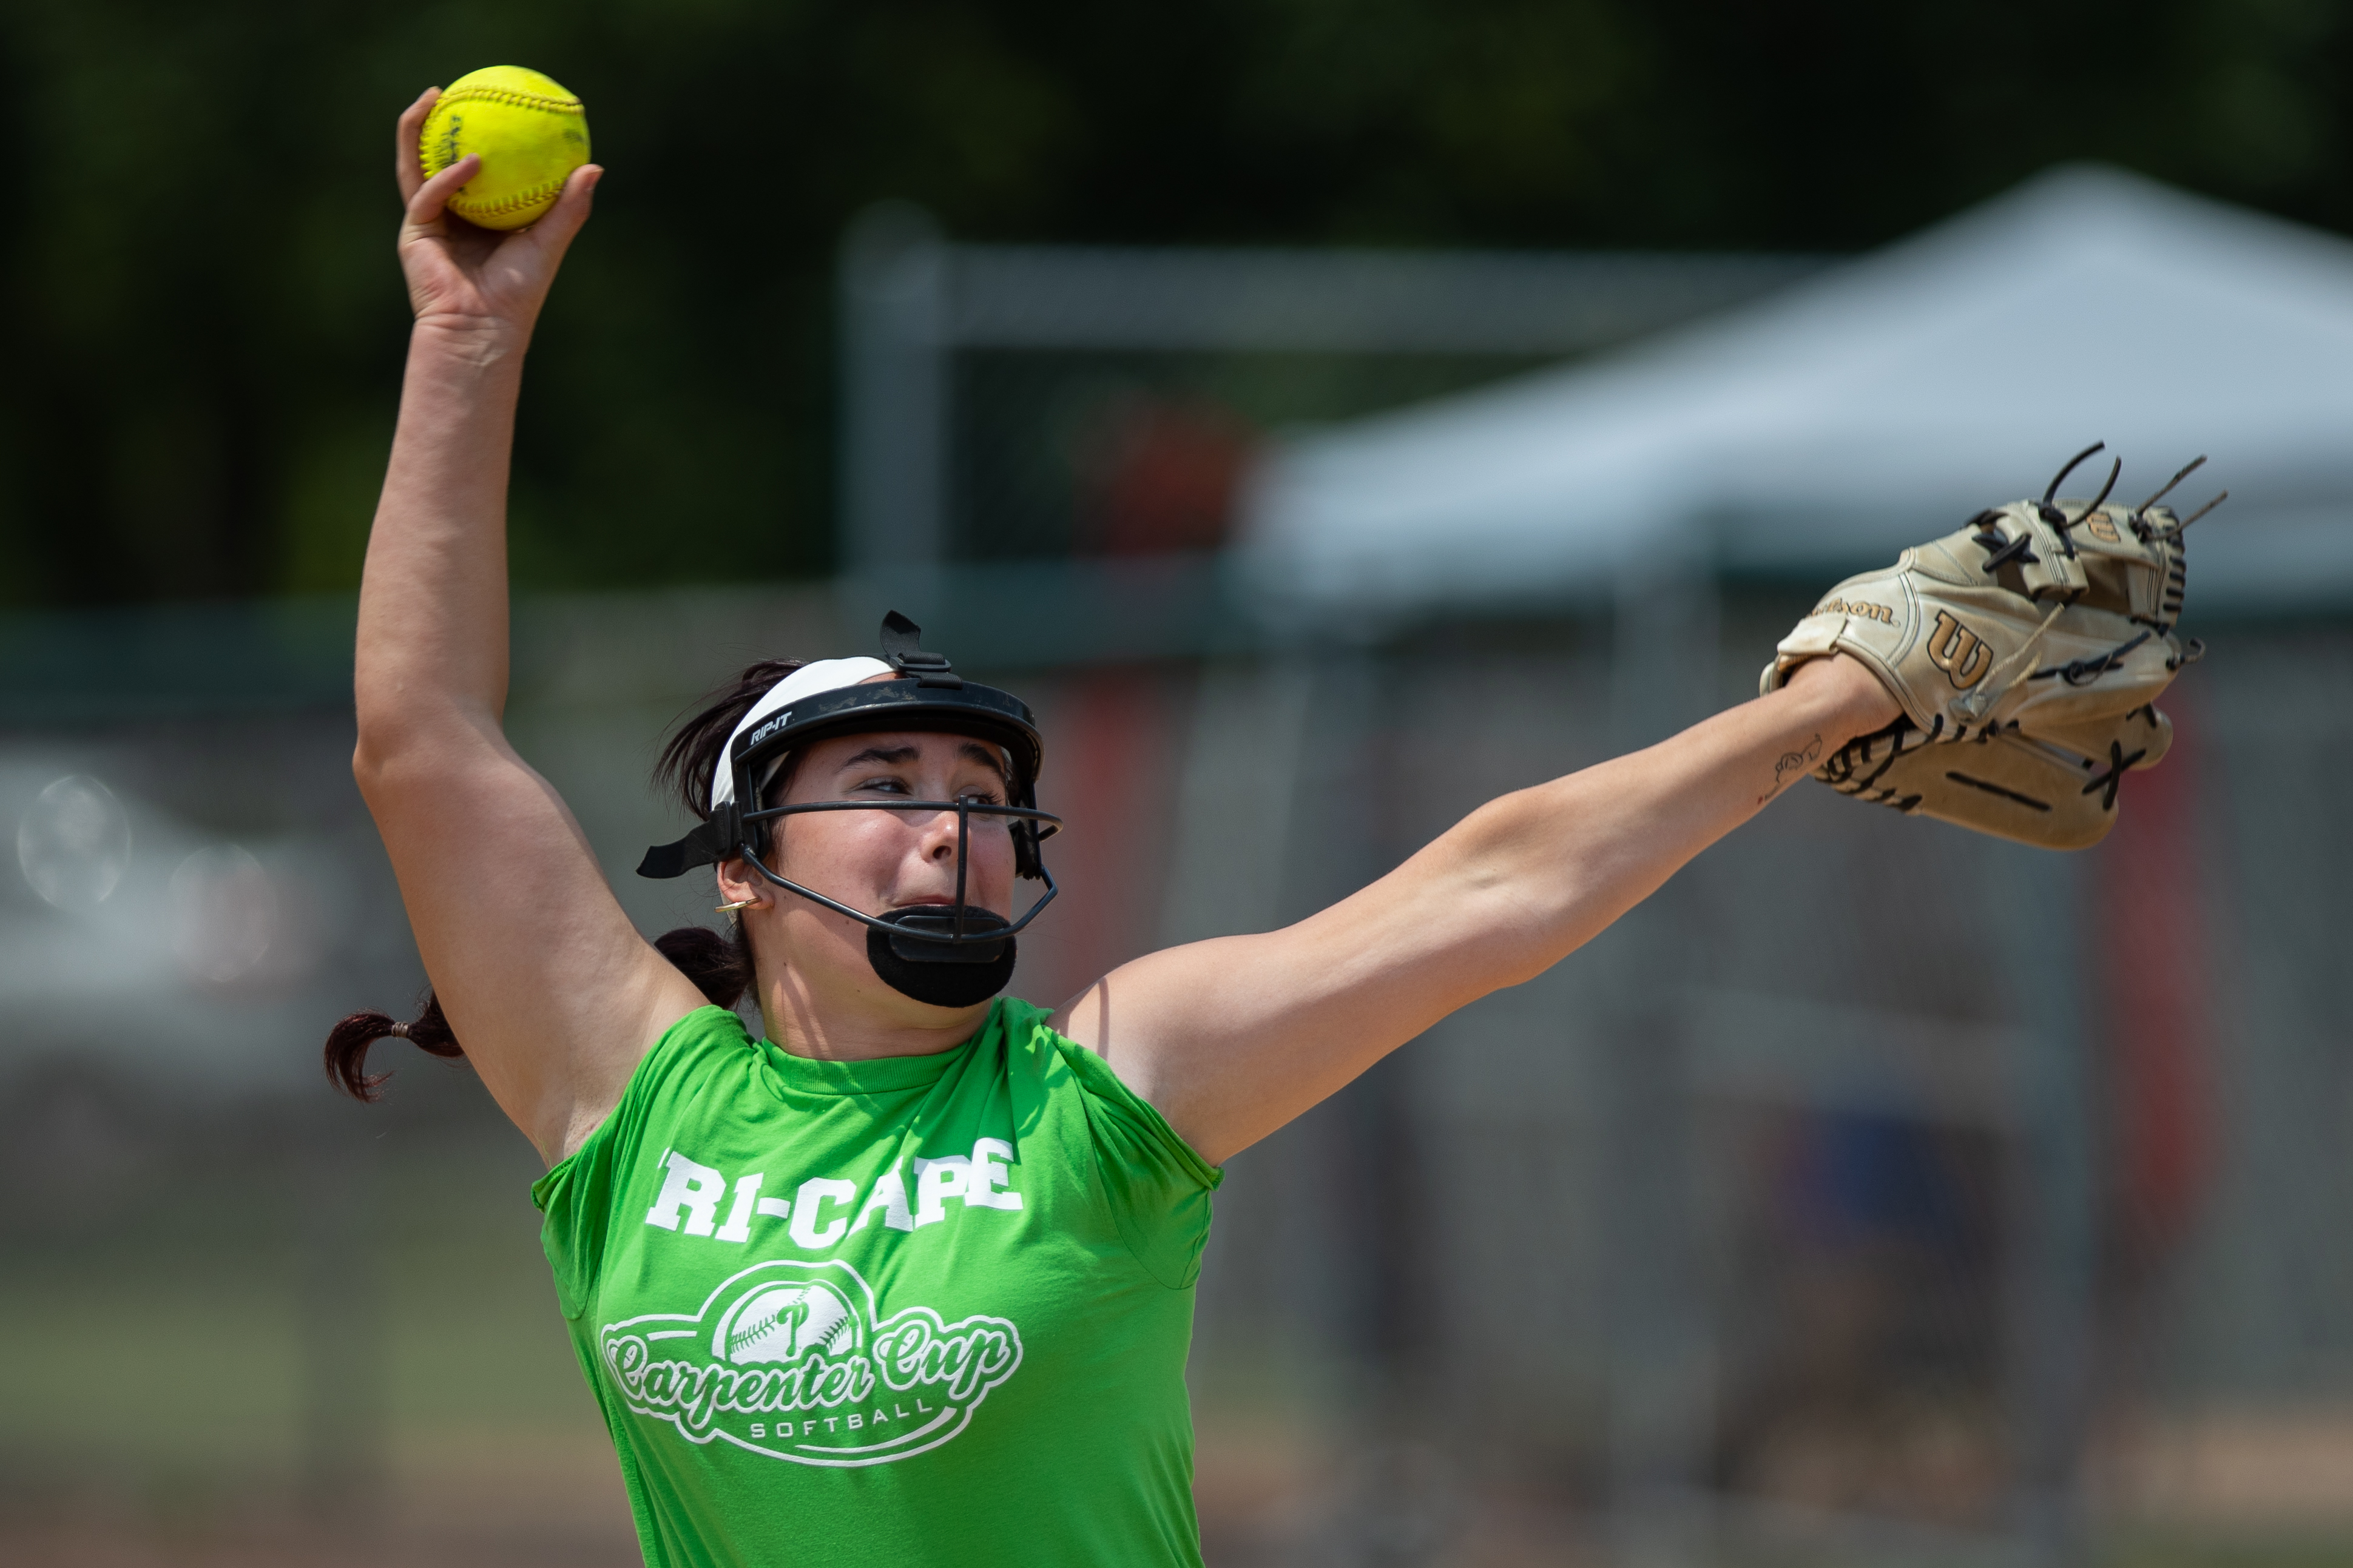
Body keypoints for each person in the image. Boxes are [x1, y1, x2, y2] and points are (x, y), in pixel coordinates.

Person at [328, 86, 1900, 1568]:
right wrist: (466, 341)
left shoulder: (1101, 1083)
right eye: (883, 791)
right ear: (742, 862)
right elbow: (422, 741)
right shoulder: (632, 1093)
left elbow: (1499, 886)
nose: (948, 829)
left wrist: (1832, 702)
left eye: (981, 797)